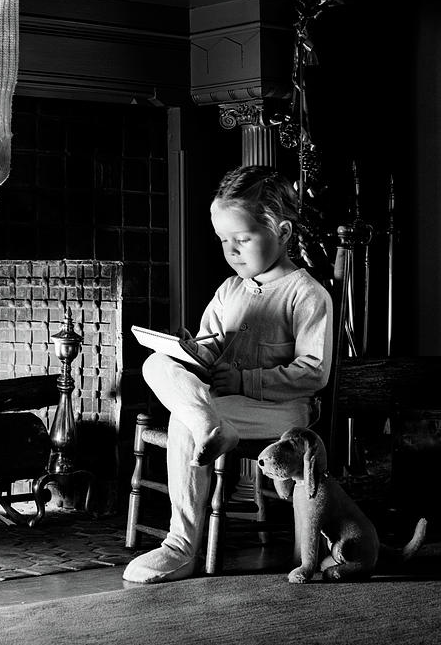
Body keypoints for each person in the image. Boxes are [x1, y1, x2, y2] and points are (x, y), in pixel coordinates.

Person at [123, 165, 333, 584]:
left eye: (243, 239)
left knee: (184, 423)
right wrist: (191, 350)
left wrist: (244, 381)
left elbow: (314, 373)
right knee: (153, 364)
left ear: (284, 233)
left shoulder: (306, 294)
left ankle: (180, 548)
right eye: (224, 241)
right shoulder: (229, 291)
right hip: (224, 407)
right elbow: (211, 349)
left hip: (282, 412)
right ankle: (210, 425)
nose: (232, 251)